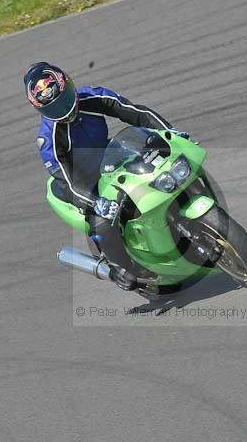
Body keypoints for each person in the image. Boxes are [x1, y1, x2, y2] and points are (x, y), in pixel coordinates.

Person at [23, 62, 185, 291]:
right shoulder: (48, 140)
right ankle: (122, 268)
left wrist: (170, 133)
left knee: (156, 149)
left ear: (69, 83)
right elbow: (66, 182)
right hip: (83, 181)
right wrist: (95, 202)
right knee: (101, 220)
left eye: (64, 99)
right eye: (53, 108)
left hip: (111, 155)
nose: (64, 110)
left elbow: (137, 113)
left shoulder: (93, 97)